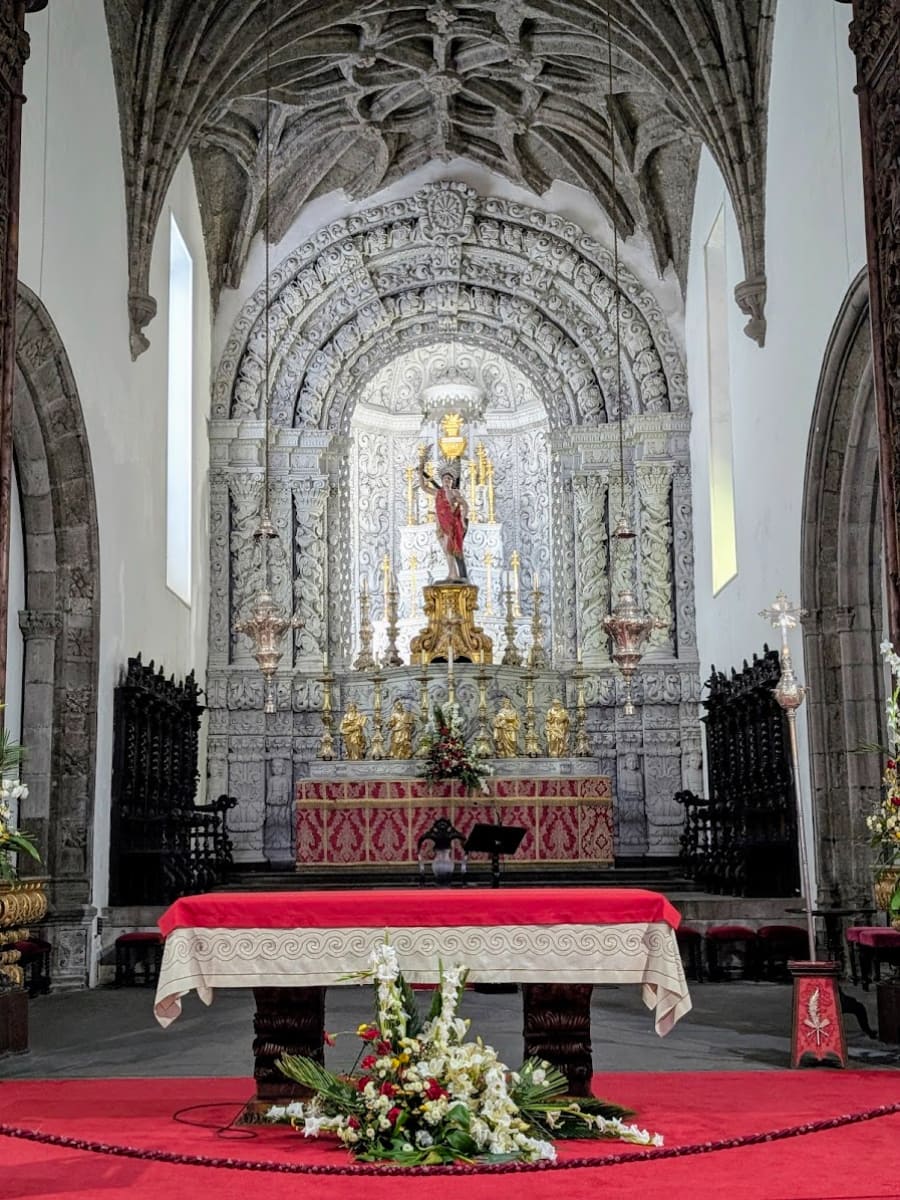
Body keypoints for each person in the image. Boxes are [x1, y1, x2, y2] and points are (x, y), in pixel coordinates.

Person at [418, 446, 469, 582]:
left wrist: (463, 520)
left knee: (448, 549)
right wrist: (421, 468)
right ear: (442, 480)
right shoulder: (437, 493)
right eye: (445, 479)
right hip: (440, 524)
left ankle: (454, 574)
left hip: (450, 524)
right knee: (445, 550)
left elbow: (465, 505)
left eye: (449, 479)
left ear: (452, 481)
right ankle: (453, 574)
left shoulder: (454, 493)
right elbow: (423, 487)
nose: (447, 481)